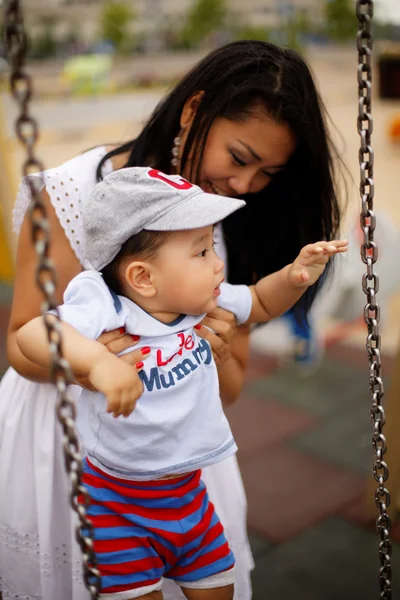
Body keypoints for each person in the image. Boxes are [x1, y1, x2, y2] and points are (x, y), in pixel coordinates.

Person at [0, 40, 343, 600]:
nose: (244, 185)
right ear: (193, 111)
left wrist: (218, 347)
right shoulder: (70, 194)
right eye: (238, 157)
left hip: (176, 461)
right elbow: (23, 344)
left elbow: (228, 389)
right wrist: (94, 367)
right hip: (70, 447)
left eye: (267, 173)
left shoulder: (225, 225)